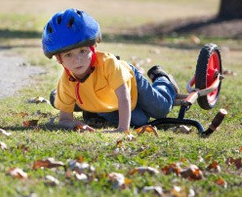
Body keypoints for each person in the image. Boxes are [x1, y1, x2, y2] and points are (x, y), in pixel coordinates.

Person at [42, 8, 179, 133]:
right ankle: (93, 112)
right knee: (140, 120)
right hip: (105, 101)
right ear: (59, 59)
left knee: (161, 109)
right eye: (68, 55)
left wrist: (122, 129)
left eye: (82, 51)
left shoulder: (109, 64)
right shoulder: (66, 82)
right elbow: (64, 119)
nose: (77, 60)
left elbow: (123, 96)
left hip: (130, 83)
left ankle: (162, 79)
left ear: (93, 47)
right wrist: (77, 124)